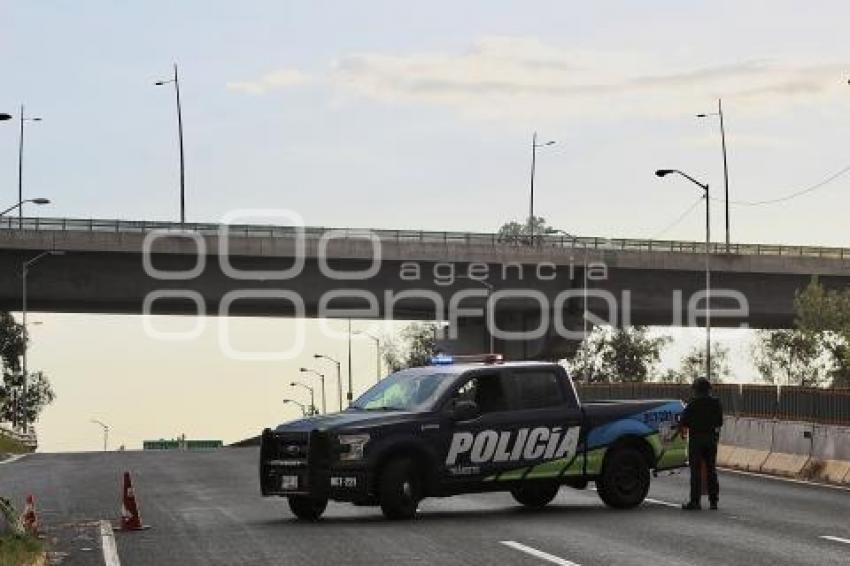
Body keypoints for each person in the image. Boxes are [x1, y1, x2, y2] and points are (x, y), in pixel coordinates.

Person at [680, 377, 723, 510]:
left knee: (696, 472)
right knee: (711, 470)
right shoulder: (716, 403)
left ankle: (695, 502)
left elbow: (684, 421)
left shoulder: (693, 404)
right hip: (711, 439)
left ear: (696, 390)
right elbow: (719, 422)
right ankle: (713, 501)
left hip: (696, 440)